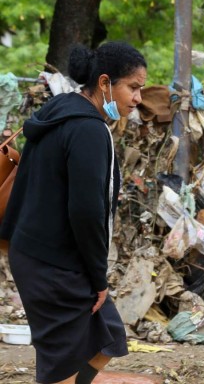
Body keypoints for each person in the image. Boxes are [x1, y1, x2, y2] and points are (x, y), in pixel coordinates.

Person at [0, 41, 147, 384]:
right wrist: (98, 279)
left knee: (108, 334)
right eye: (134, 88)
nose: (138, 98)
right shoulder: (89, 130)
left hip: (39, 254)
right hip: (53, 264)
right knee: (62, 366)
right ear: (105, 82)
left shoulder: (59, 113)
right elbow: (86, 211)